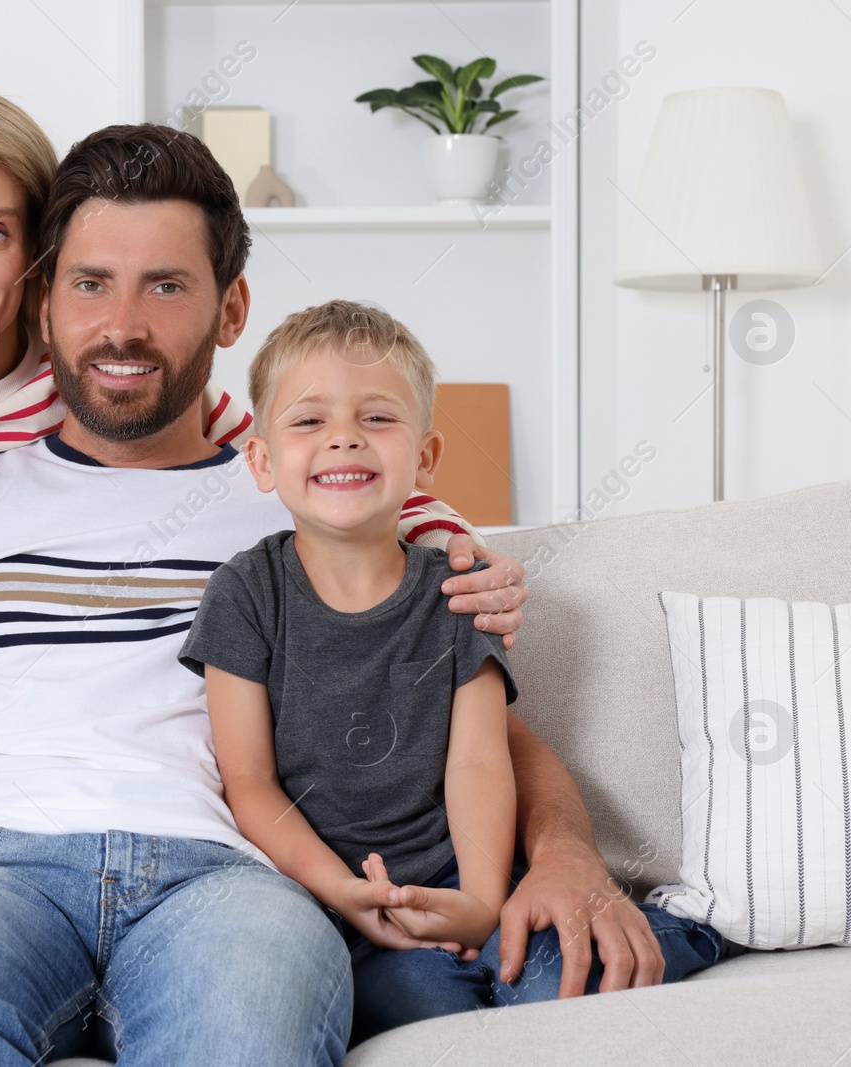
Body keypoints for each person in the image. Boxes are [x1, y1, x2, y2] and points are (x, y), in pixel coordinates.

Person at [0, 124, 662, 1067]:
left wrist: (567, 850)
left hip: (228, 880)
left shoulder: (304, 503)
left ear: (230, 308)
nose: (123, 325)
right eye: (91, 283)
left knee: (252, 1018)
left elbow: (470, 704)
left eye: (166, 285)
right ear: (45, 303)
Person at [178, 301, 721, 1047]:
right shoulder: (245, 593)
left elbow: (477, 760)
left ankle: (688, 931)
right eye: (309, 421)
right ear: (264, 460)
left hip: (469, 884)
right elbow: (249, 781)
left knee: (564, 980)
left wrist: (481, 897)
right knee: (426, 1005)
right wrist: (341, 890)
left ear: (426, 457)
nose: (344, 436)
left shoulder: (460, 589)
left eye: (377, 418)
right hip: (354, 922)